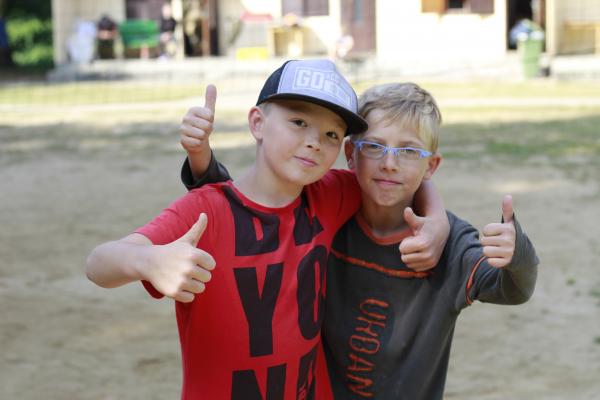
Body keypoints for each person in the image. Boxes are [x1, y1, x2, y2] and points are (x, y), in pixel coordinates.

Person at [85, 59, 449, 399]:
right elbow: (99, 263)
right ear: (257, 123)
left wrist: (436, 220)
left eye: (331, 134)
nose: (314, 141)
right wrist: (148, 261)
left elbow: (395, 178)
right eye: (299, 122)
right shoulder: (207, 211)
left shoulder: (330, 195)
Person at [183, 82, 539, 399]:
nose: (389, 164)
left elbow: (513, 290)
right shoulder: (326, 215)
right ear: (351, 155)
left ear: (431, 166)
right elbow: (250, 210)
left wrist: (517, 254)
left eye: (409, 151)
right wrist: (202, 164)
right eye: (374, 147)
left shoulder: (450, 244)